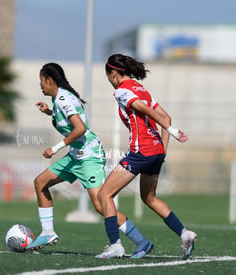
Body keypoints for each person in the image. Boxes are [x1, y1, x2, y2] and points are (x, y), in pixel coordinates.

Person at [26, 62, 153, 259]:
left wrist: (55, 148)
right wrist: (49, 112)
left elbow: (80, 129)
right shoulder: (60, 98)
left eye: (41, 81)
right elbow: (69, 119)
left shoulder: (63, 99)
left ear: (50, 81)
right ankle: (48, 233)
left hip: (89, 157)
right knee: (40, 182)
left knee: (102, 205)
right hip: (76, 156)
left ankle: (140, 242)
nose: (40, 85)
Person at [95, 53, 197, 259]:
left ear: (114, 73)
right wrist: (162, 150)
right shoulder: (142, 89)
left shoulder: (122, 91)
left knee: (104, 195)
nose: (109, 80)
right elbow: (164, 115)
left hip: (141, 151)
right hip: (156, 151)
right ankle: (184, 234)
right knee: (149, 197)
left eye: (108, 76)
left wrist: (171, 129)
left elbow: (143, 108)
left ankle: (115, 244)